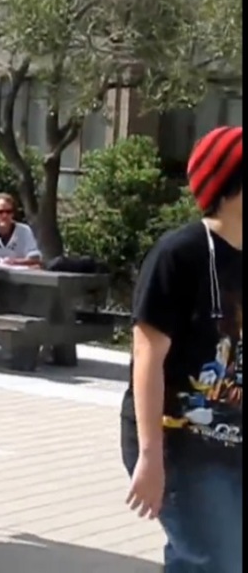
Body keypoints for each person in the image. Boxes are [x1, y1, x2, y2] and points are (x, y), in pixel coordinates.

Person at [122, 126, 242, 573]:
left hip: (234, 441)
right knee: (218, 562)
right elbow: (147, 359)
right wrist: (150, 456)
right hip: (179, 443)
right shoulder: (180, 254)